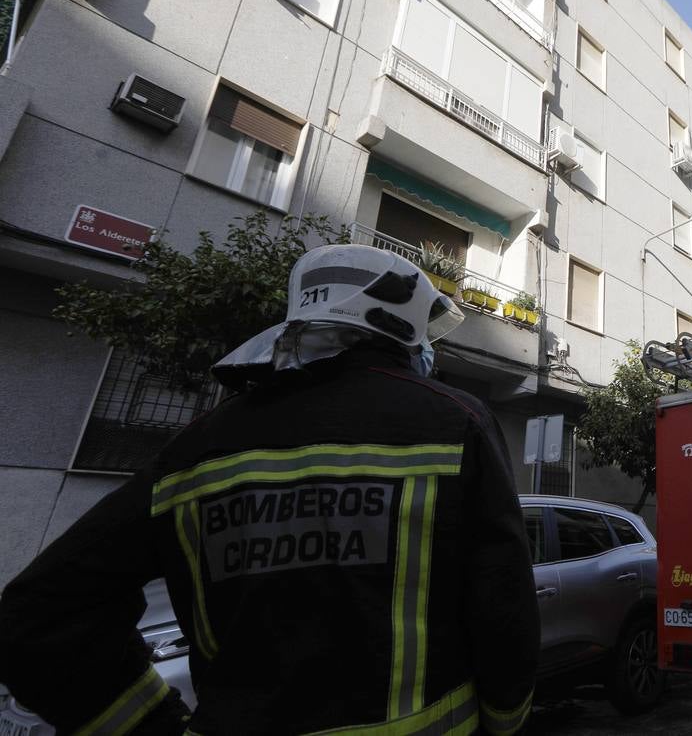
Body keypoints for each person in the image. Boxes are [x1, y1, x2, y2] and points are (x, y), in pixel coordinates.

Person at [0, 245, 539, 735]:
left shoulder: (195, 448)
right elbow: (502, 601)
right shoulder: (454, 421)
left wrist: (150, 724)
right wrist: (505, 719)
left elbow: (35, 614)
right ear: (395, 327)